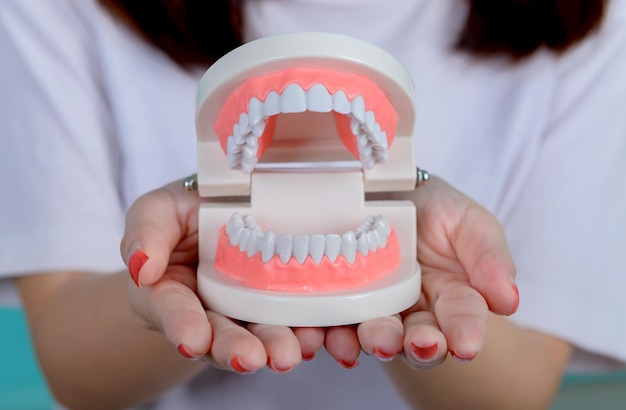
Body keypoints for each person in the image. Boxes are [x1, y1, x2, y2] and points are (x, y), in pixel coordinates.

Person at [1, 0, 624, 409]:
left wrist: (408, 294)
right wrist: (173, 291)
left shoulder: (595, 24)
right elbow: (69, 360)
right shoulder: (51, 10)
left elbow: (522, 389)